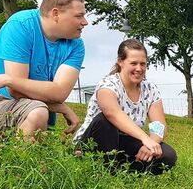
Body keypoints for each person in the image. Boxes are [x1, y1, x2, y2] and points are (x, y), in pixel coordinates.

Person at [0, 0, 87, 137]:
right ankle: (18, 160)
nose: (85, 22)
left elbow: (59, 92)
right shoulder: (20, 25)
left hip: (41, 111)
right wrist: (61, 107)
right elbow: (16, 91)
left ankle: (13, 155)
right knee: (37, 112)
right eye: (79, 16)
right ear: (56, 14)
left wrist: (8, 79)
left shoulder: (76, 45)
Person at [73, 39, 177, 174]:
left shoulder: (150, 89)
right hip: (97, 139)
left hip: (126, 142)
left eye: (143, 64)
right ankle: (100, 168)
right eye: (133, 63)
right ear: (120, 62)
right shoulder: (108, 85)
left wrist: (151, 143)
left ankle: (125, 171)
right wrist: (144, 138)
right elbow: (113, 113)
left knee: (168, 155)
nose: (139, 69)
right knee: (104, 121)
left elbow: (159, 124)